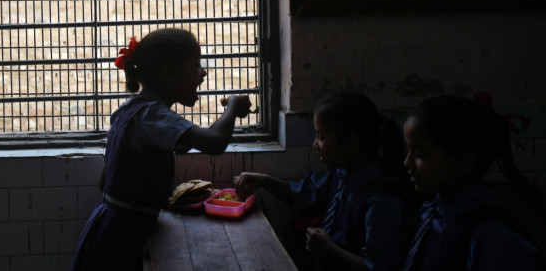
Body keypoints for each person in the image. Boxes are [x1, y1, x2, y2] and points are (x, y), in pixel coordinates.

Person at [69, 28, 252, 271]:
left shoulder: (128, 109)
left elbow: (106, 182)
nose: (203, 73)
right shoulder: (152, 114)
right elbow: (214, 142)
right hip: (122, 237)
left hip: (106, 226)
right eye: (196, 65)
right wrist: (232, 107)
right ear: (169, 72)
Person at [234, 91, 415, 271]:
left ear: (350, 143)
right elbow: (302, 193)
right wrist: (264, 181)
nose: (314, 145)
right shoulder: (340, 176)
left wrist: (330, 251)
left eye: (321, 137)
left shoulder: (381, 199)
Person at [402, 95, 542, 271]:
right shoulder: (432, 211)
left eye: (420, 154)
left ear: (465, 163)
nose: (406, 163)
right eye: (409, 151)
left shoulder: (492, 235)